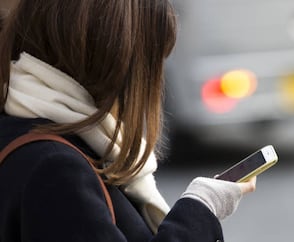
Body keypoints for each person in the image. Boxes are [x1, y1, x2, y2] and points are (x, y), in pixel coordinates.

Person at [0, 0, 257, 241]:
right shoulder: (56, 169)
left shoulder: (24, 129)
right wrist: (201, 208)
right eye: (150, 63)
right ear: (115, 63)